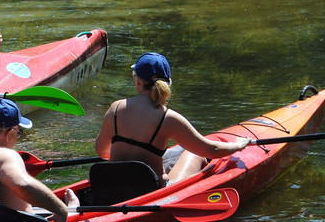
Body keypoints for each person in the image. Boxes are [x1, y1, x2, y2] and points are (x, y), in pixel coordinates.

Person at [95, 53, 250, 186]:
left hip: (112, 187)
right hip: (151, 190)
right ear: (167, 84)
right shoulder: (168, 118)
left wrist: (129, 154)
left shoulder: (115, 108)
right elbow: (211, 150)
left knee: (179, 150)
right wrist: (237, 145)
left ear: (137, 81)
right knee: (194, 152)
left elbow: (102, 151)